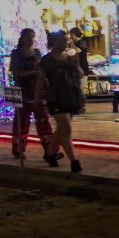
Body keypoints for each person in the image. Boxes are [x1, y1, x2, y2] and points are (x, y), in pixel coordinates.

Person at [36, 30, 84, 173]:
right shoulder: (46, 60)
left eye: (66, 40)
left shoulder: (69, 57)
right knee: (66, 129)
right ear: (54, 42)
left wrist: (76, 65)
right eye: (62, 40)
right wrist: (37, 98)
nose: (65, 43)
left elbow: (80, 74)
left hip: (70, 96)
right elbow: (40, 81)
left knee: (61, 129)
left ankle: (50, 154)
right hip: (55, 98)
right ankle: (74, 161)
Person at [9, 28, 55, 159]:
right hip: (22, 92)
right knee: (21, 122)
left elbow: (41, 69)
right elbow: (16, 71)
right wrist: (31, 73)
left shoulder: (37, 53)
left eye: (33, 37)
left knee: (43, 120)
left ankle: (50, 149)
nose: (31, 40)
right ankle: (18, 148)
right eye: (29, 37)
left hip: (37, 92)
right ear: (22, 38)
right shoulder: (16, 54)